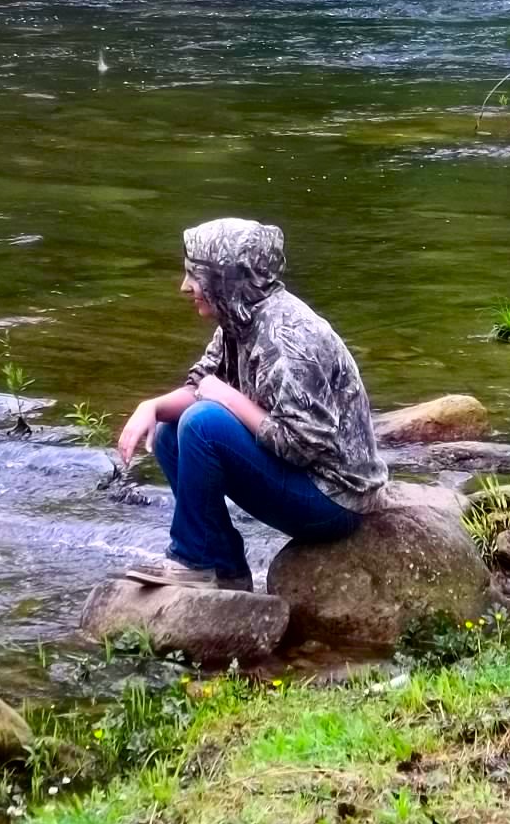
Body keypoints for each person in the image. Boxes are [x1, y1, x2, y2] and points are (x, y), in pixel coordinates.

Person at [116, 217, 387, 591]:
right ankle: (223, 566)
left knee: (201, 422)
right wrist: (152, 406)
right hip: (306, 481)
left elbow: (302, 446)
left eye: (194, 276)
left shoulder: (288, 336)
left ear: (224, 277)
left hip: (336, 500)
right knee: (168, 430)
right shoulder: (239, 318)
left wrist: (227, 398)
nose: (184, 287)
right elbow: (201, 384)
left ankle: (192, 560)